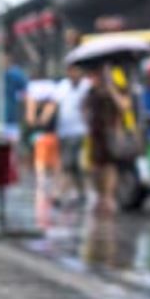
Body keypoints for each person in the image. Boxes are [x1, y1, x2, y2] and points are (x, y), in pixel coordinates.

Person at [83, 63, 135, 215]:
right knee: (95, 167)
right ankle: (100, 196)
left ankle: (109, 197)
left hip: (112, 132)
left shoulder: (117, 87)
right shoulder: (92, 91)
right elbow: (85, 108)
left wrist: (112, 89)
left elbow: (124, 106)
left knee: (110, 166)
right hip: (95, 133)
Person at [48, 63, 93, 206]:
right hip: (64, 131)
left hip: (81, 131)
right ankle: (82, 193)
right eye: (71, 71)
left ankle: (58, 193)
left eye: (77, 70)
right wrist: (43, 118)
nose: (74, 74)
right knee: (73, 165)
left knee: (68, 163)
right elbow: (53, 104)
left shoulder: (87, 87)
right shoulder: (63, 86)